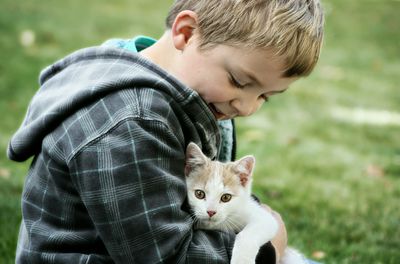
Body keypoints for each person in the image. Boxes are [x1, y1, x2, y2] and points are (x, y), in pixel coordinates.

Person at [8, 0, 324, 263]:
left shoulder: (180, 88)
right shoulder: (131, 122)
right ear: (185, 33)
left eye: (265, 96)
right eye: (240, 82)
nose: (247, 106)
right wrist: (271, 246)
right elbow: (166, 258)